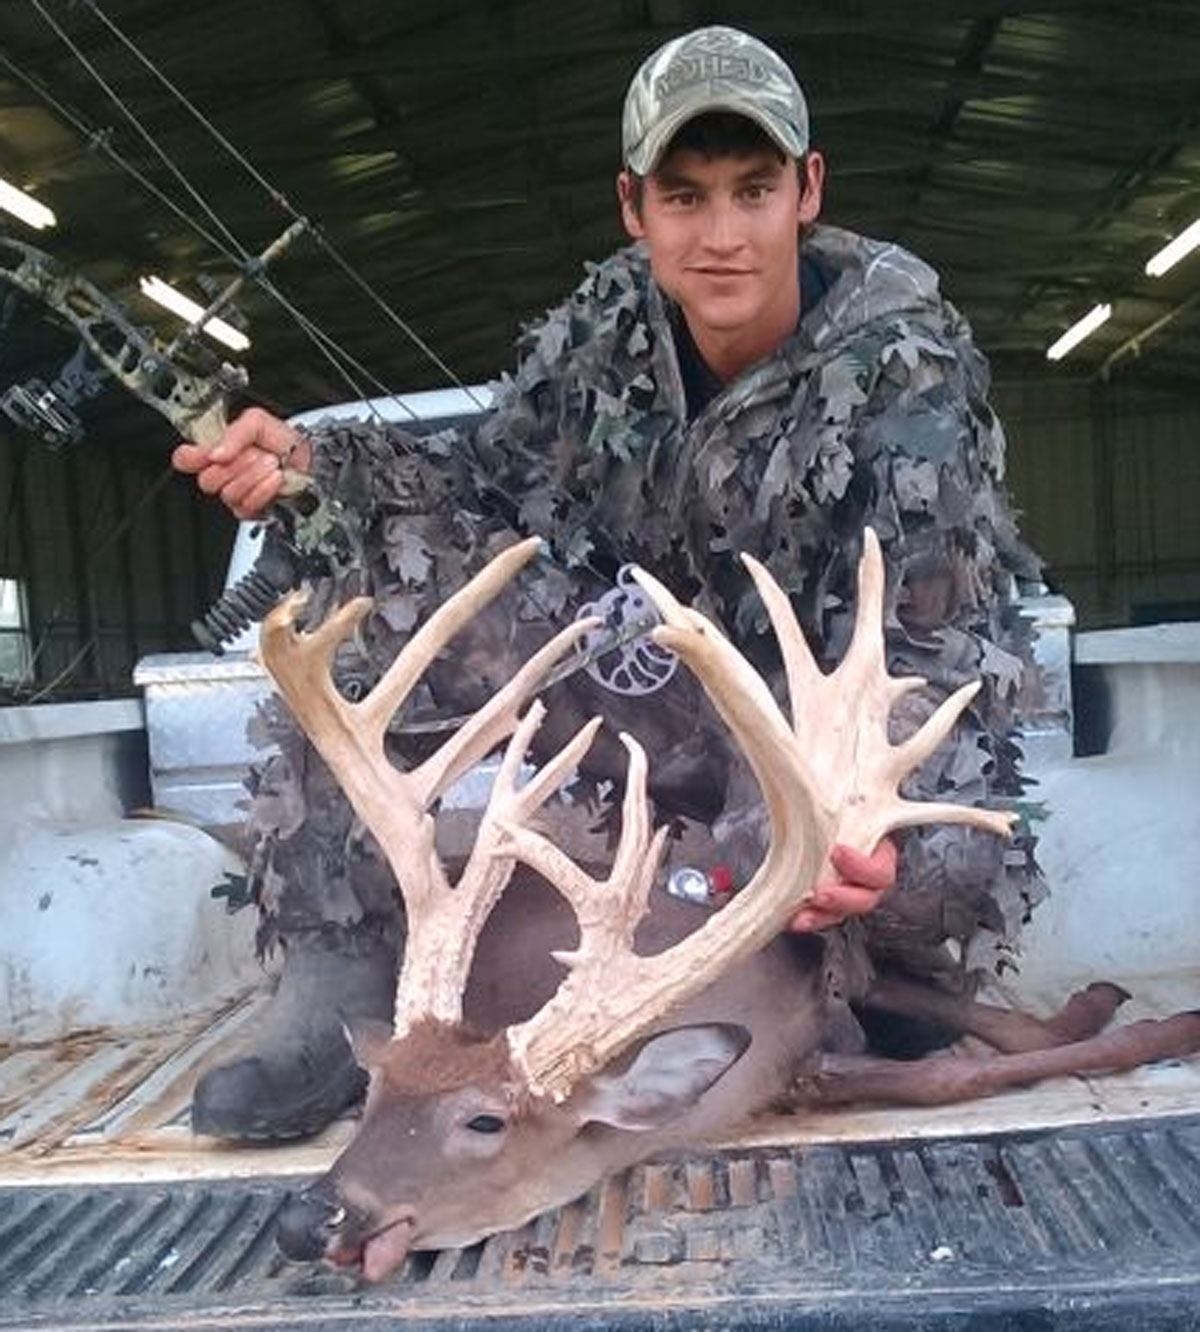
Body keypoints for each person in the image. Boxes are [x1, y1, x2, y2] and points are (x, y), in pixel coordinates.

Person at [173, 25, 1043, 1141]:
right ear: (634, 208)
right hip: (642, 693)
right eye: (684, 198)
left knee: (946, 851)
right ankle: (340, 981)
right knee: (378, 581)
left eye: (753, 191)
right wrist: (312, 469)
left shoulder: (909, 372)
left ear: (807, 191)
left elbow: (930, 655)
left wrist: (860, 826)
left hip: (807, 734)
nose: (721, 236)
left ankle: (882, 976)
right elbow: (482, 486)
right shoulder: (605, 325)